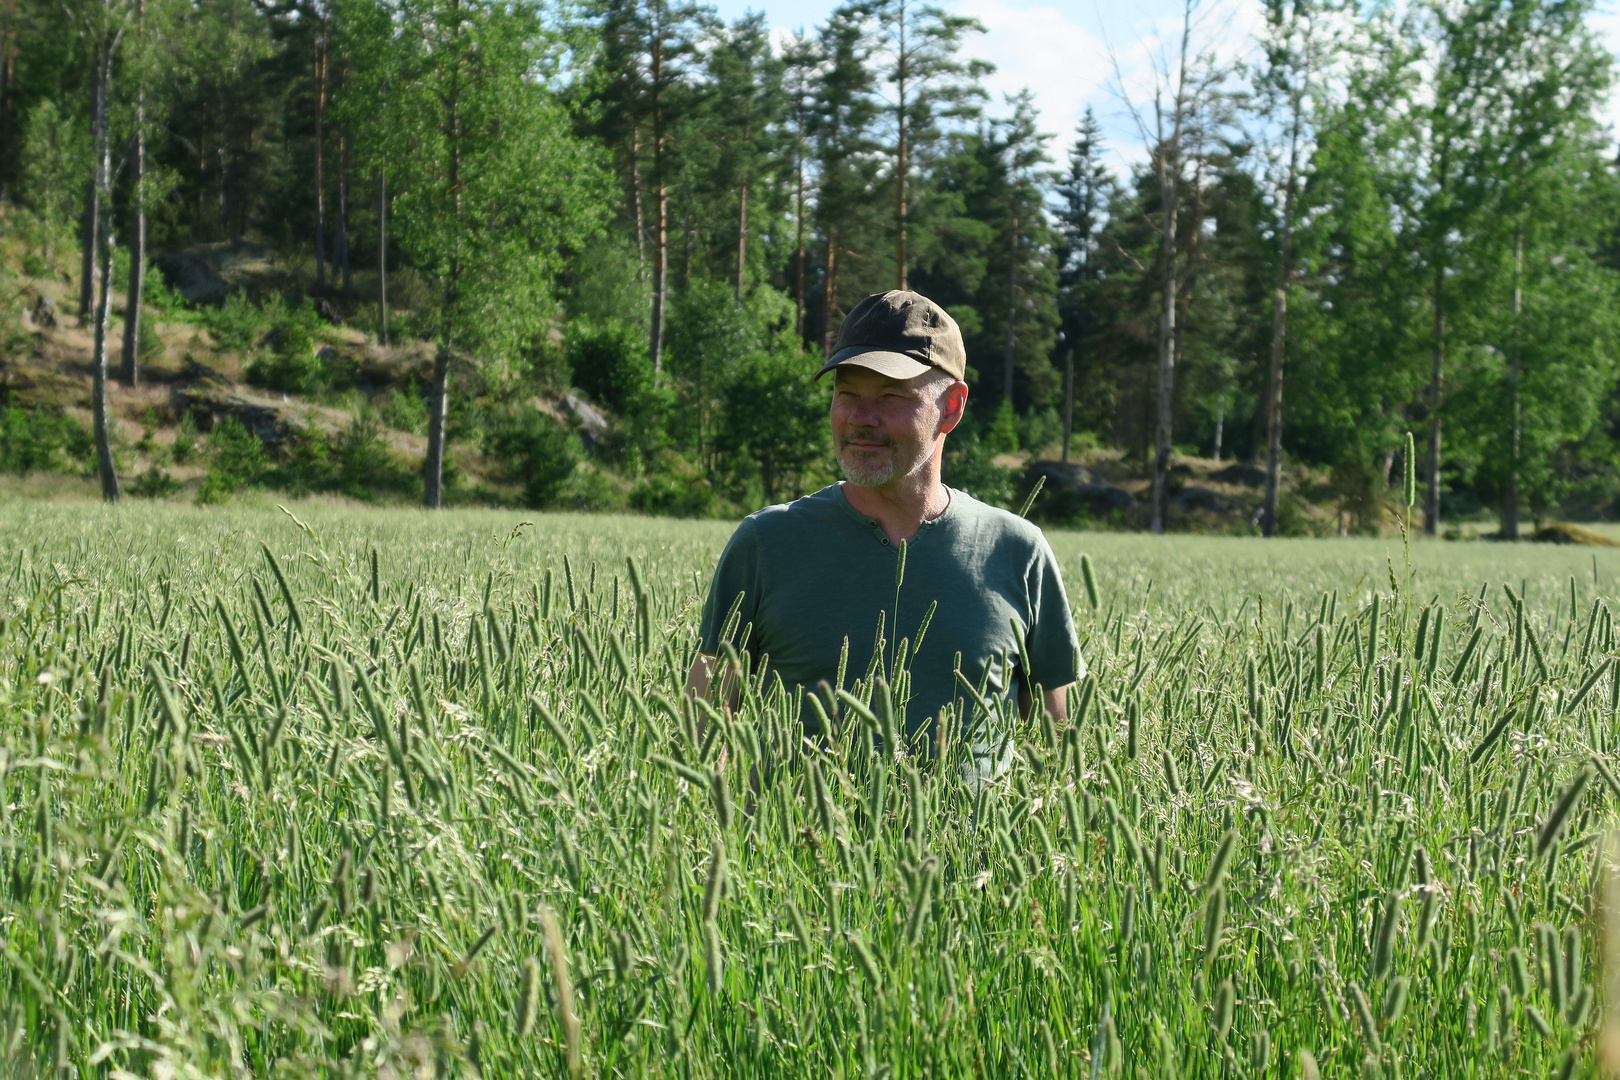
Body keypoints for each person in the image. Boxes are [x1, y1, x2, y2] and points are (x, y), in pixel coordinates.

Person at [686, 290, 1081, 774]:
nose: (860, 418)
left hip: (971, 851)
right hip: (794, 848)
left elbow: (1056, 749)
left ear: (951, 408)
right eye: (846, 394)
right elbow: (703, 722)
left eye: (891, 397)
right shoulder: (767, 543)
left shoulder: (1018, 552)